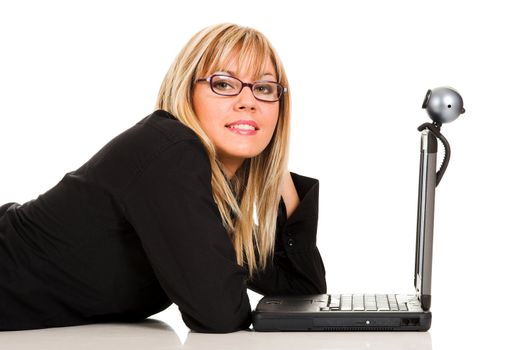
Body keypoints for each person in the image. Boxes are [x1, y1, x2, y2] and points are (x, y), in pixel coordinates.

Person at [0, 23, 326, 333]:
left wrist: (275, 167)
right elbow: (220, 314)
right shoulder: (171, 149)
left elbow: (303, 295)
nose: (248, 101)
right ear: (186, 92)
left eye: (264, 89)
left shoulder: (212, 196)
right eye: (224, 83)